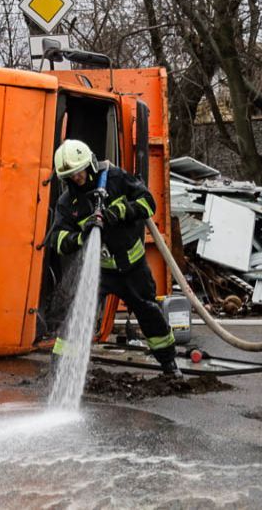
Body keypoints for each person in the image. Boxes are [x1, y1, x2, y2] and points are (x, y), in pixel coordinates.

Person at [46, 139, 182, 378]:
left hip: (133, 268)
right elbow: (56, 239)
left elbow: (147, 202)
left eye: (79, 172)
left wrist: (120, 212)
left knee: (150, 315)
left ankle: (169, 365)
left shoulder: (116, 179)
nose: (77, 178)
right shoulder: (68, 203)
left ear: (89, 164)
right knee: (78, 315)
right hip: (98, 271)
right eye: (71, 176)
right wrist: (81, 236)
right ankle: (60, 371)